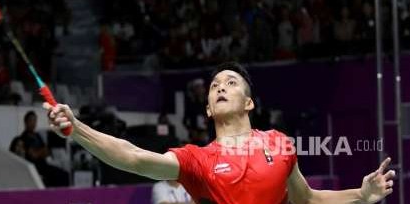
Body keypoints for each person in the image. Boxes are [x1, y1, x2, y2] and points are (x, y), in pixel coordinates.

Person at [45, 62, 395, 203]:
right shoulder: (197, 161)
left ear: (248, 103)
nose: (221, 87)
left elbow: (306, 199)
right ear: (209, 108)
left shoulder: (280, 144)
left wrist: (360, 196)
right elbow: (136, 158)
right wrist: (77, 129)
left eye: (231, 82)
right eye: (215, 86)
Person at [20, 111, 69, 187]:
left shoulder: (37, 136)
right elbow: (33, 155)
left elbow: (47, 152)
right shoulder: (23, 138)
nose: (33, 123)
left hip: (44, 164)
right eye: (31, 120)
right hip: (34, 167)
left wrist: (39, 152)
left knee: (64, 174)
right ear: (26, 122)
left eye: (35, 120)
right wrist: (40, 152)